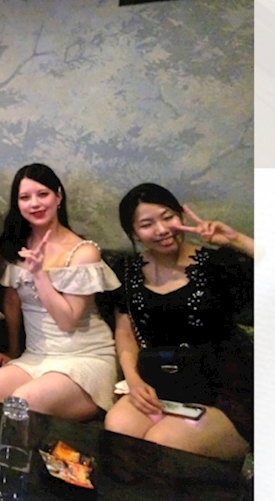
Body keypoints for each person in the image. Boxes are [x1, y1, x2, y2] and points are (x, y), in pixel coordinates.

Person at [103, 183, 253, 459]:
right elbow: (125, 332)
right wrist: (133, 381)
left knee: (163, 442)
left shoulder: (217, 264)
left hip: (223, 387)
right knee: (118, 427)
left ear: (181, 216)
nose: (162, 230)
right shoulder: (127, 271)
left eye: (168, 217)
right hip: (161, 381)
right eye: (147, 224)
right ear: (133, 233)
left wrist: (237, 240)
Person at [0, 163, 119, 421]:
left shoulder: (83, 252)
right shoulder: (16, 247)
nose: (34, 204)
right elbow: (12, 304)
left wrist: (39, 274)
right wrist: (13, 351)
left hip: (84, 356)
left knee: (24, 401)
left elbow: (67, 321)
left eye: (43, 194)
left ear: (58, 196)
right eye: (25, 197)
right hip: (37, 356)